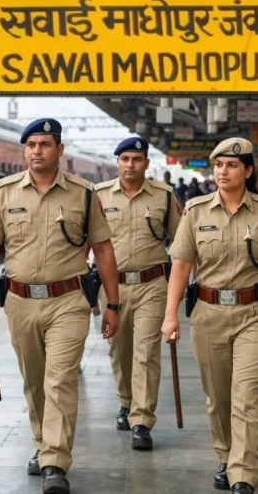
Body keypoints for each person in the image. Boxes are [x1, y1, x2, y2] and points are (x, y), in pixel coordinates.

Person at [0, 118, 119, 494]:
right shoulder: (4, 193)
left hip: (69, 300)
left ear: (60, 150)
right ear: (25, 150)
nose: (37, 151)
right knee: (34, 381)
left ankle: (55, 460)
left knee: (60, 379)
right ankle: (41, 444)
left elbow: (102, 248)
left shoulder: (84, 194)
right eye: (31, 144)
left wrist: (112, 303)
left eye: (45, 144)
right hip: (20, 301)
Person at [161, 137, 258, 494]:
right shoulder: (195, 211)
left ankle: (244, 473)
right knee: (219, 396)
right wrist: (170, 316)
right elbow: (181, 266)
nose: (224, 171)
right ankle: (226, 456)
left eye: (232, 165)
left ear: (248, 171)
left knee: (248, 396)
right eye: (219, 165)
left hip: (257, 315)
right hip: (209, 313)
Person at [95, 137, 181, 451]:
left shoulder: (164, 196)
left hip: (152, 285)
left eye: (137, 159)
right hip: (111, 287)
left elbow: (181, 243)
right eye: (125, 159)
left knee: (146, 352)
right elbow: (84, 242)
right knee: (119, 350)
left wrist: (181, 292)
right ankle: (126, 400)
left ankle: (142, 420)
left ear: (146, 163)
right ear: (117, 162)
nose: (131, 165)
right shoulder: (99, 196)